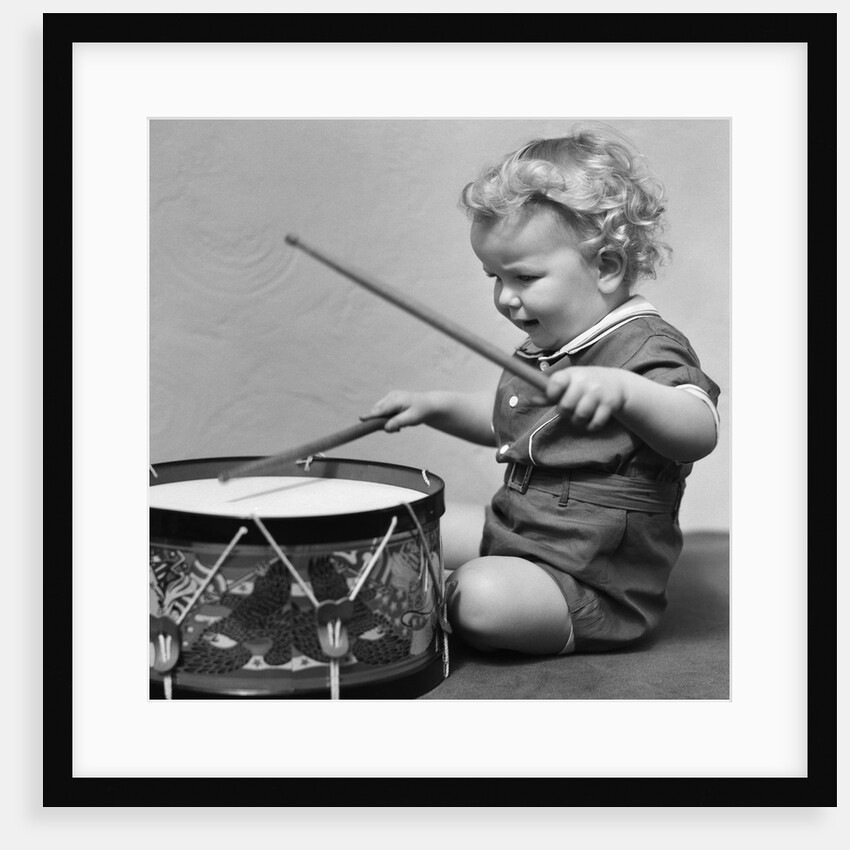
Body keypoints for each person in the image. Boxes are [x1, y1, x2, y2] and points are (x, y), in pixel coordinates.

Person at [366, 124, 720, 656]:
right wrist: (432, 407)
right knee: (408, 525)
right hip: (518, 530)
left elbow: (698, 431)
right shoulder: (548, 345)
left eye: (524, 278)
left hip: (592, 578)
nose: (507, 299)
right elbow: (510, 425)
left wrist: (623, 392)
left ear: (606, 266)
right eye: (494, 276)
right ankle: (442, 579)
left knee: (480, 599)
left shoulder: (645, 345)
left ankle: (447, 598)